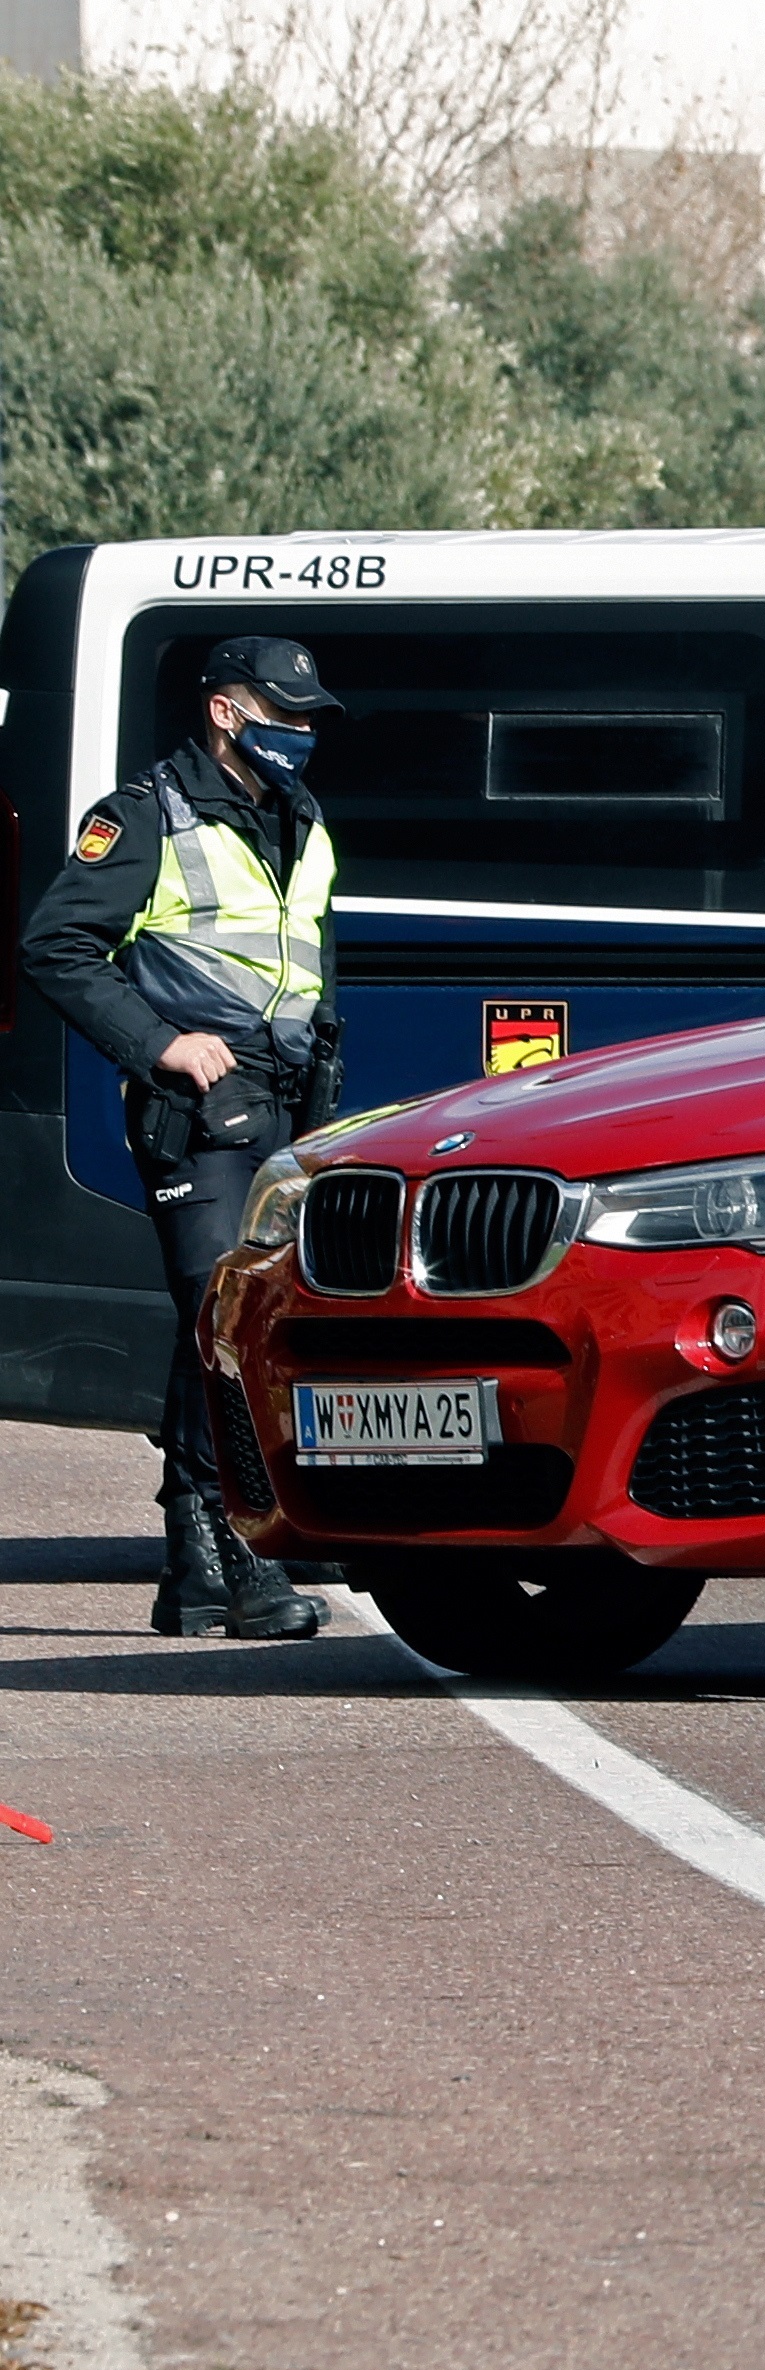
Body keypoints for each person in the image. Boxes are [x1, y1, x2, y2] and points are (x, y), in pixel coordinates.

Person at [19, 633, 348, 1642]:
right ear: (225, 710)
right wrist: (162, 1043)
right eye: (283, 713)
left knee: (246, 1325)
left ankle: (200, 1565)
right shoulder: (145, 817)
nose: (300, 732)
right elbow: (54, 945)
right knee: (223, 1321)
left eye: (307, 717)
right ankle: (234, 1560)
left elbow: (307, 961)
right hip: (200, 1108)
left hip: (290, 1107)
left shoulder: (298, 814)